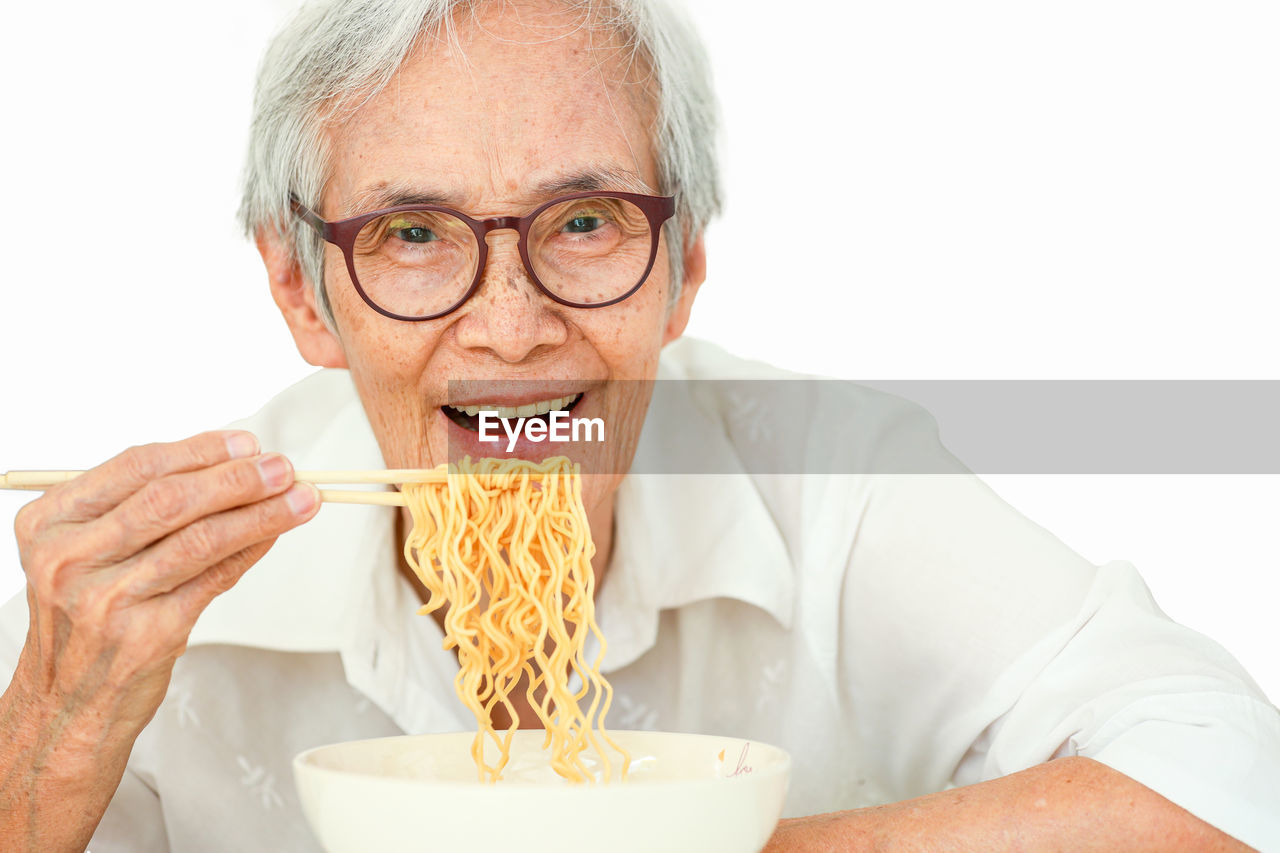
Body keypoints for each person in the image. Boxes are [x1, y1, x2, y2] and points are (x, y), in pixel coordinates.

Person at [1, 0, 1277, 850]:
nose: (508, 327)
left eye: (583, 221)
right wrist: (52, 743)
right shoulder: (147, 605)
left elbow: (1225, 778)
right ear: (302, 290)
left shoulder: (829, 484)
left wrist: (698, 839)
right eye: (410, 234)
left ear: (686, 263)